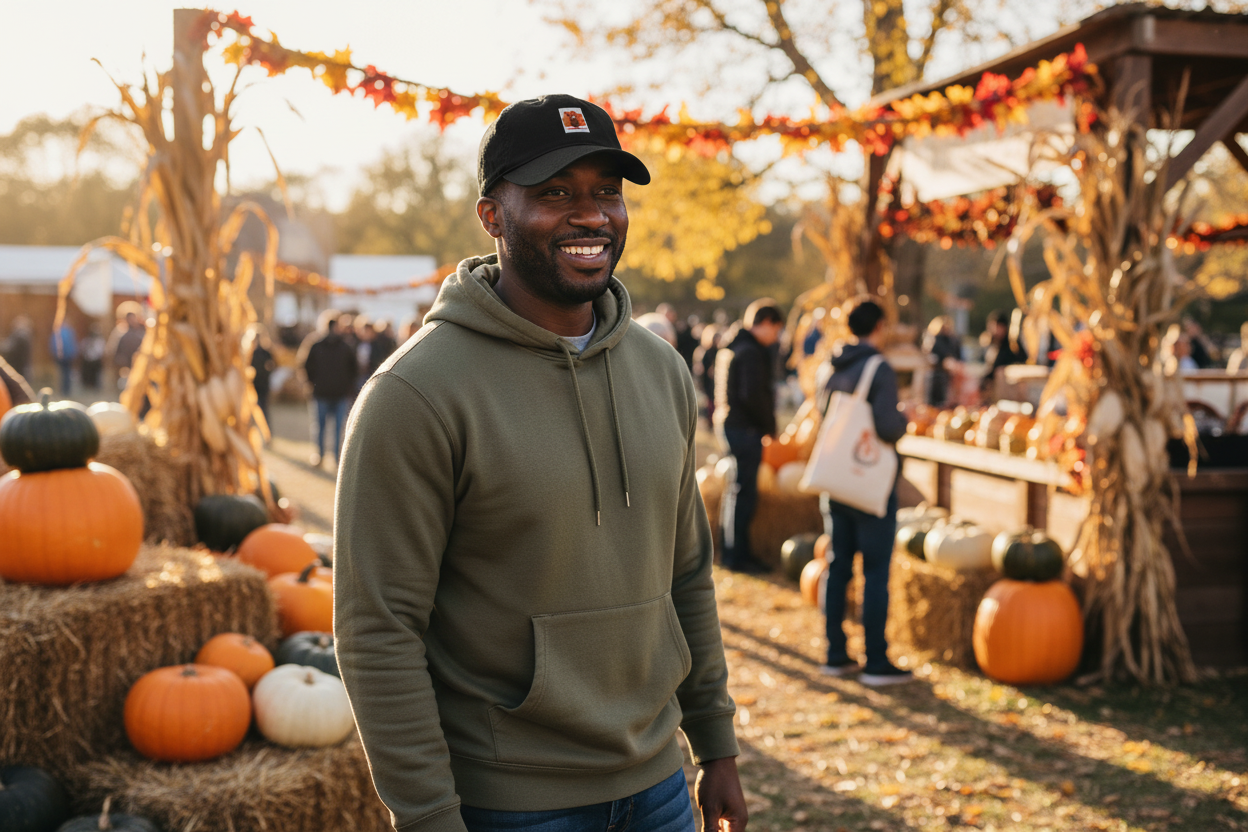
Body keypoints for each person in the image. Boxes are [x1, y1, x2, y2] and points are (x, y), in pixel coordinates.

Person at [334, 94, 746, 832]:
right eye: (555, 194)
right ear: (493, 216)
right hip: (509, 802)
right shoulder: (416, 394)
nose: (591, 216)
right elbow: (378, 629)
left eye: (606, 192)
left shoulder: (662, 371)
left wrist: (716, 741)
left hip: (659, 785)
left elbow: (686, 570)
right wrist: (428, 817)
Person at [817, 299, 912, 686]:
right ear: (879, 326)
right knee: (874, 571)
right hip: (868, 482)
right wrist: (905, 418)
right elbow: (888, 427)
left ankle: (835, 654)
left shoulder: (832, 365)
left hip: (836, 478)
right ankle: (875, 661)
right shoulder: (878, 368)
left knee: (837, 567)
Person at [714, 298, 784, 574]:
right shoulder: (751, 352)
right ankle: (738, 555)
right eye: (776, 329)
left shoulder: (734, 346)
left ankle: (731, 550)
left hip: (730, 424)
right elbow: (752, 395)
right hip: (744, 428)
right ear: (765, 323)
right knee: (744, 493)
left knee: (735, 490)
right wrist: (769, 426)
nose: (776, 336)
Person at [298, 311, 358, 467]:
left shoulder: (337, 346)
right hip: (327, 394)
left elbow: (353, 369)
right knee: (331, 429)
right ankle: (328, 457)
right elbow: (307, 367)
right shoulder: (342, 346)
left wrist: (312, 384)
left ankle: (327, 457)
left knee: (325, 428)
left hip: (331, 394)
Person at [105, 302, 147, 392]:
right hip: (124, 365)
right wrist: (119, 360)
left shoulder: (141, 332)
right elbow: (111, 348)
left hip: (139, 364)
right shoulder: (120, 332)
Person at [922, 316, 961, 407]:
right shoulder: (934, 339)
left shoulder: (952, 339)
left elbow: (957, 355)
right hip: (936, 372)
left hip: (948, 373)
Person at [246, 323, 277, 429]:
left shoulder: (266, 352)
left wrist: (267, 372)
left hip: (262, 385)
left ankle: (267, 431)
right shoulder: (250, 353)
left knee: (263, 410)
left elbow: (273, 365)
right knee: (251, 411)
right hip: (252, 385)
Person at [49, 321, 78, 395]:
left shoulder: (57, 332)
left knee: (61, 373)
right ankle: (67, 390)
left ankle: (61, 389)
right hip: (68, 356)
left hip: (60, 356)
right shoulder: (69, 332)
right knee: (67, 373)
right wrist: (73, 354)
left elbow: (53, 344)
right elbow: (73, 344)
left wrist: (55, 354)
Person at [2, 316, 34, 381]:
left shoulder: (21, 336)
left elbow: (8, 348)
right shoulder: (24, 335)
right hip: (23, 369)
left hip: (19, 370)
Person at [80, 323, 106, 390]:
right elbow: (82, 348)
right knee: (88, 375)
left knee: (95, 375)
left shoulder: (99, 341)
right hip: (88, 360)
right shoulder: (87, 340)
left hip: (95, 360)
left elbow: (101, 351)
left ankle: (95, 386)